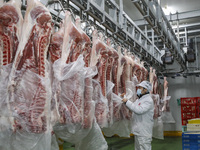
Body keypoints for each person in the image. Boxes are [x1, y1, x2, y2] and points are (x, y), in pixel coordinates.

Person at [122, 80, 154, 150]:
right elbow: (133, 107)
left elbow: (139, 110)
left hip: (144, 132)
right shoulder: (139, 100)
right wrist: (124, 98)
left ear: (145, 89)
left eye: (140, 88)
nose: (138, 89)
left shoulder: (148, 100)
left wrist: (127, 101)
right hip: (138, 131)